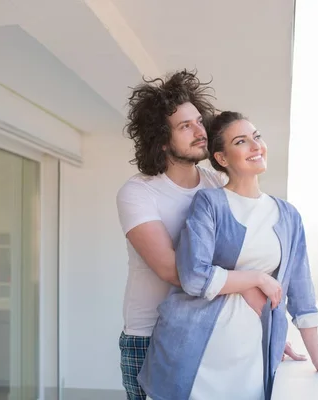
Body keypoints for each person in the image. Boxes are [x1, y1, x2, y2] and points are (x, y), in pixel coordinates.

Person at [138, 111, 318, 400]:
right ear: (222, 159)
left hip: (252, 354)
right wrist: (257, 279)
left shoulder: (288, 215)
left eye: (257, 137)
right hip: (196, 354)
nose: (255, 146)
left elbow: (302, 294)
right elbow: (193, 276)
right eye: (241, 141)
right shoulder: (210, 203)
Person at [116, 72, 304, 400]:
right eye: (185, 126)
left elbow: (240, 257)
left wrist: (268, 328)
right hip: (149, 333)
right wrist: (255, 279)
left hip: (211, 329)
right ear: (161, 139)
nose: (200, 130)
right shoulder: (138, 193)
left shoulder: (216, 184)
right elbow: (175, 271)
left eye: (198, 121)